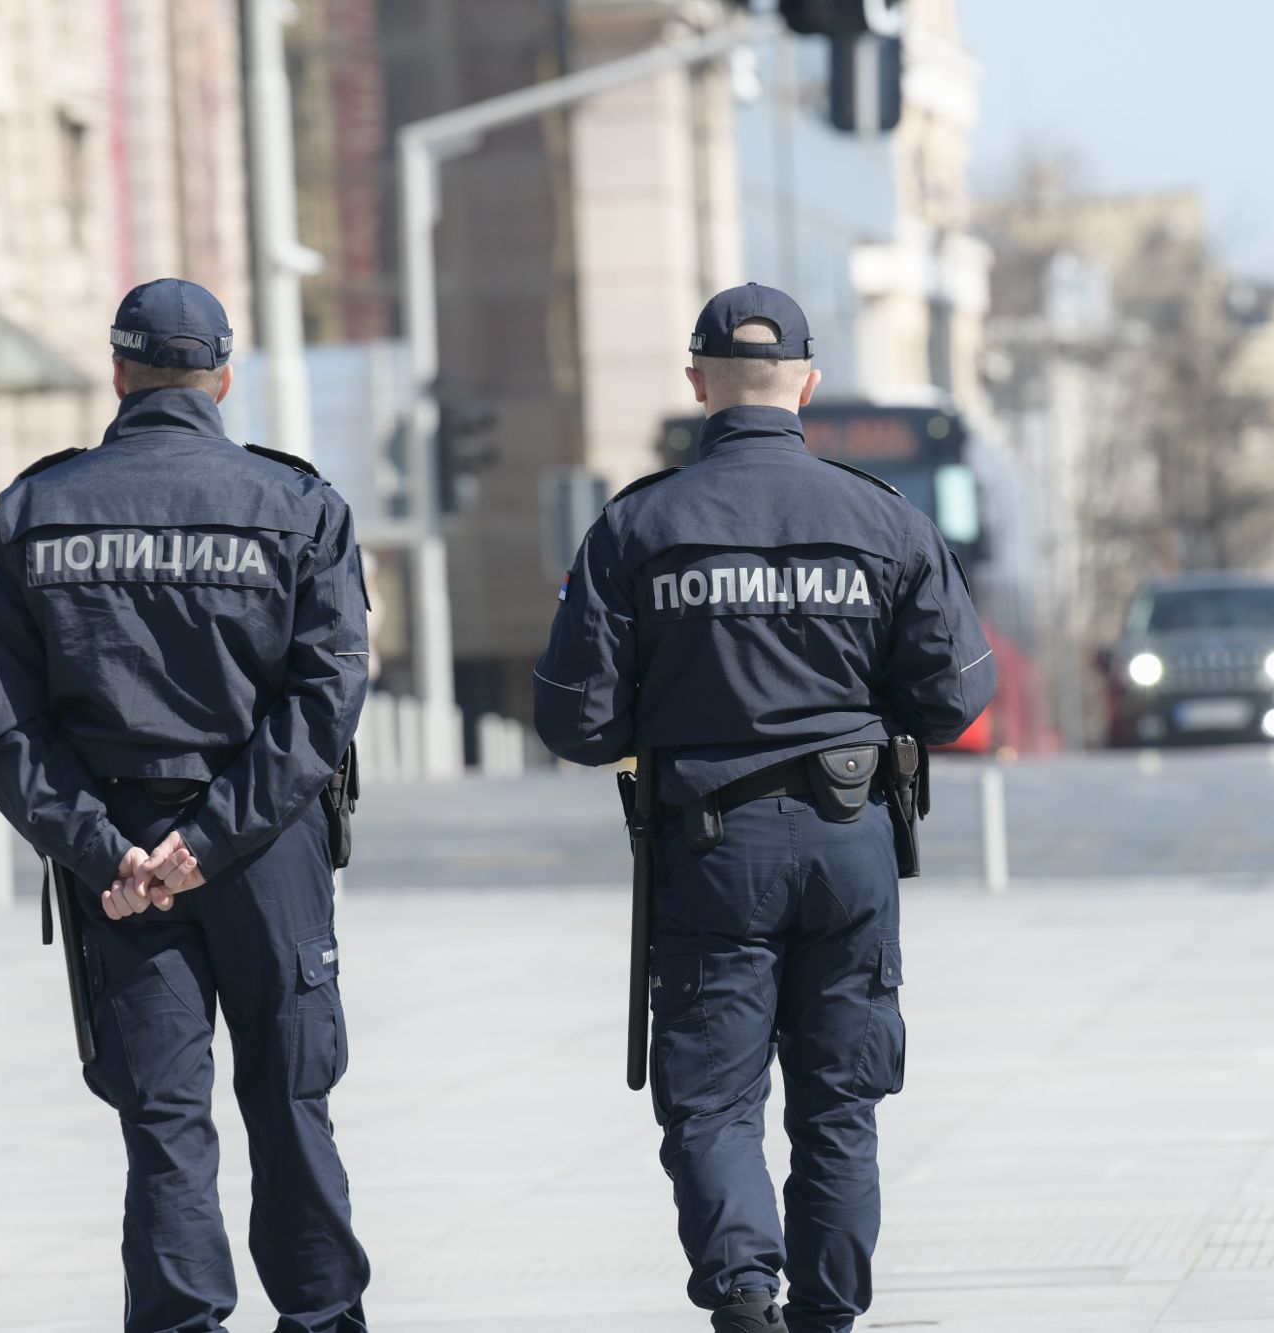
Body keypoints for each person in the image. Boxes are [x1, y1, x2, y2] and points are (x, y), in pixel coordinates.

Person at [532, 283, 995, 1333]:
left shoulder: (636, 527)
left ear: (697, 385)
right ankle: (827, 1317)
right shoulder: (884, 518)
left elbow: (573, 721)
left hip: (709, 850)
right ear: (807, 386)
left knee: (711, 1099)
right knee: (838, 1104)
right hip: (848, 842)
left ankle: (744, 1296)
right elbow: (956, 696)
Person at [0, 278, 373, 1333]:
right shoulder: (294, 505)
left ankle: (183, 1319)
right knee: (289, 1104)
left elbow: (2, 731)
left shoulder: (35, 510)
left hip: (117, 866)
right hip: (262, 852)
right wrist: (212, 837)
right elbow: (324, 701)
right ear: (225, 379)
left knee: (162, 1118)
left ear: (118, 373)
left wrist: (109, 849)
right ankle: (322, 1317)